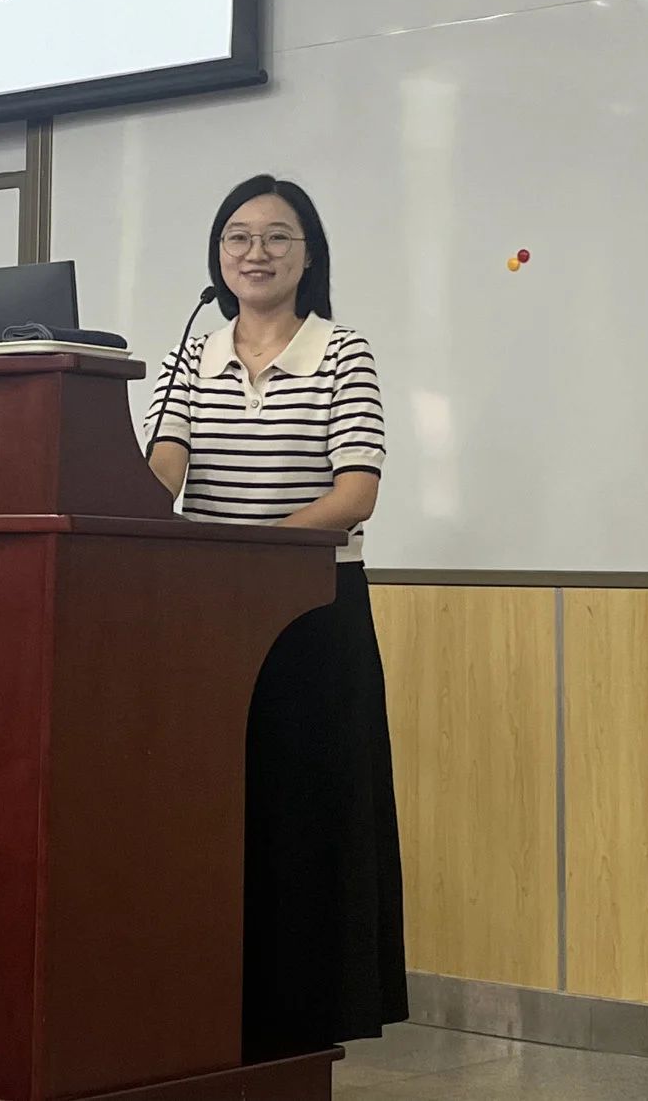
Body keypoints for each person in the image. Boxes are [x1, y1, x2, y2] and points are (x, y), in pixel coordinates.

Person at [145, 173, 407, 1058]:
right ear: (218, 256)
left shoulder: (342, 350)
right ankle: (213, 1002)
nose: (254, 252)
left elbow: (355, 491)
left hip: (315, 616)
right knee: (218, 812)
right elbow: (165, 471)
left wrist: (251, 547)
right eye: (238, 236)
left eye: (276, 236)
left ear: (308, 254)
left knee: (308, 815)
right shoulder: (190, 356)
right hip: (210, 616)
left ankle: (306, 1022)